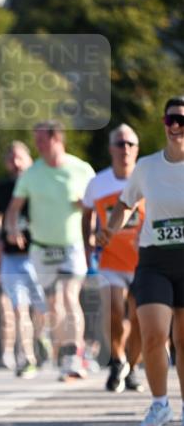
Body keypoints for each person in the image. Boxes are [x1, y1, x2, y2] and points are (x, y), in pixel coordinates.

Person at [106, 96, 184, 426]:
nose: (177, 126)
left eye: (183, 120)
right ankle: (160, 404)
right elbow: (125, 203)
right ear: (164, 124)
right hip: (154, 260)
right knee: (154, 334)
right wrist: (109, 229)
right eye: (171, 120)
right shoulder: (148, 167)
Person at [5, 121, 95, 380]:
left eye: (41, 140)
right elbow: (13, 209)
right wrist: (13, 229)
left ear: (57, 139)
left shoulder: (81, 169)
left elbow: (95, 207)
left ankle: (73, 357)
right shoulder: (32, 173)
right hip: (41, 249)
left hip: (72, 246)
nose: (37, 145)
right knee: (53, 306)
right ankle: (63, 353)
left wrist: (88, 218)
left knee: (69, 296)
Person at [82, 125, 144, 393]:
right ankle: (117, 360)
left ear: (137, 149)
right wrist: (88, 244)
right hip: (110, 259)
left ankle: (133, 366)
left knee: (141, 318)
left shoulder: (145, 178)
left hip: (143, 260)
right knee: (115, 311)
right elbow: (87, 214)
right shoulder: (98, 182)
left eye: (130, 144)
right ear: (111, 149)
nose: (125, 149)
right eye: (120, 144)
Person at [0, 141, 47, 378]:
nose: (16, 161)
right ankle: (27, 356)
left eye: (20, 157)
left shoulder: (39, 184)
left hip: (39, 255)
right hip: (12, 258)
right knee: (20, 309)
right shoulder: (1, 188)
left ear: (30, 159)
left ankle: (41, 339)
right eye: (11, 157)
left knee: (43, 310)